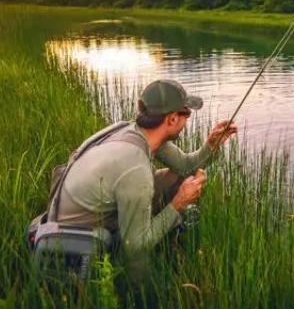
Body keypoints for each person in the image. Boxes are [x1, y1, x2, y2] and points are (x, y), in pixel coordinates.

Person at [53, 79, 237, 278]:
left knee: (178, 176)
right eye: (187, 114)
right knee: (139, 247)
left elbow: (186, 167)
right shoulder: (135, 168)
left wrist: (211, 145)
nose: (188, 120)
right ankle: (138, 288)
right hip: (78, 240)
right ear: (172, 119)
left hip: (90, 211)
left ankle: (164, 233)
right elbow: (135, 246)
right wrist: (179, 203)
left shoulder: (133, 131)